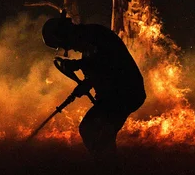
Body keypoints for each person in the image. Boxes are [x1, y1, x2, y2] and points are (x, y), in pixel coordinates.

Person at [42, 12, 146, 160]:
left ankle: (111, 171)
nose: (71, 49)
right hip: (116, 95)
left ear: (66, 34)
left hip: (126, 93)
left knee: (93, 130)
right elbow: (96, 73)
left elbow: (108, 64)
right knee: (97, 133)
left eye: (67, 44)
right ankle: (111, 169)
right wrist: (84, 84)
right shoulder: (89, 45)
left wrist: (78, 65)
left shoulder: (96, 35)